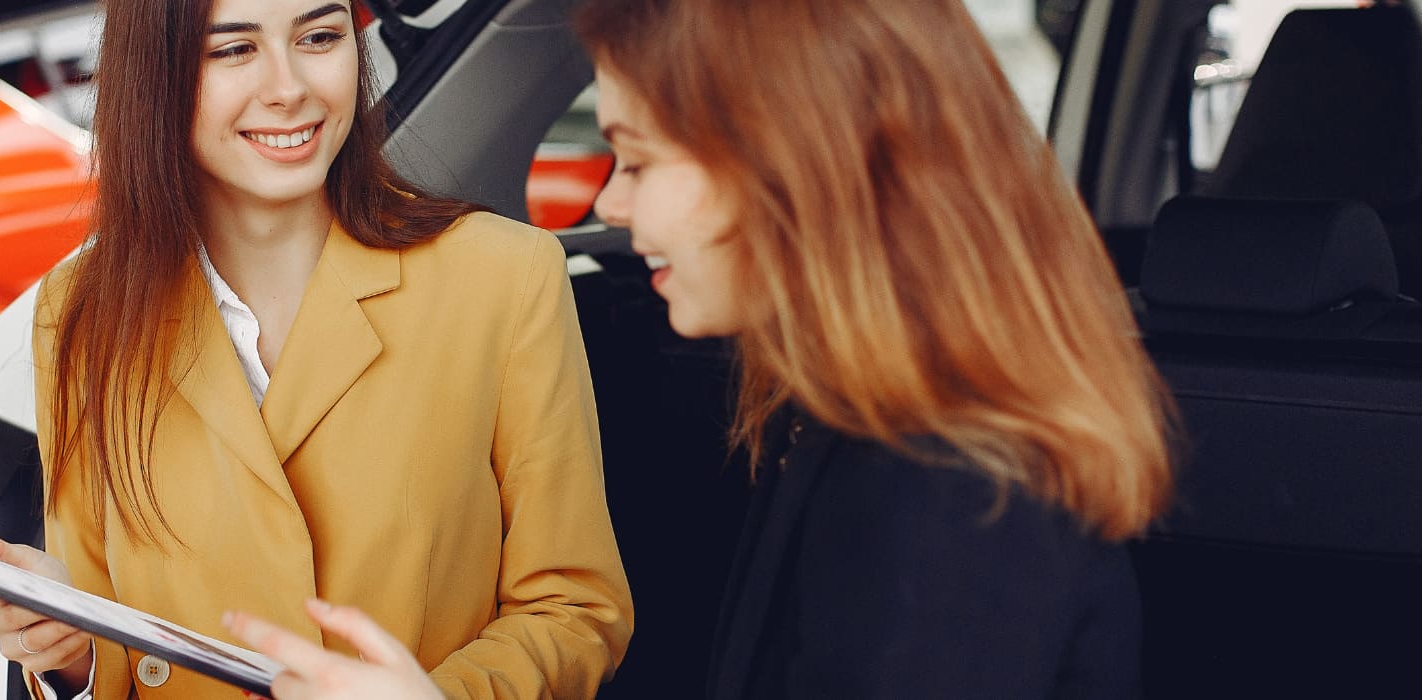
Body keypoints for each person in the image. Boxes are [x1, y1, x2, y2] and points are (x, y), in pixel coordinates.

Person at [222, 0, 1177, 697]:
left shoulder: (953, 499)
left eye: (638, 160)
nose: (609, 204)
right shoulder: (865, 431)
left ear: (789, 172)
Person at [0, 0, 632, 698]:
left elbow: (573, 609)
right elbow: (108, 630)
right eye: (234, 50)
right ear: (155, 75)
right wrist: (71, 653)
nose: (288, 87)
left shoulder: (504, 276)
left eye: (319, 36)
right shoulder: (81, 311)